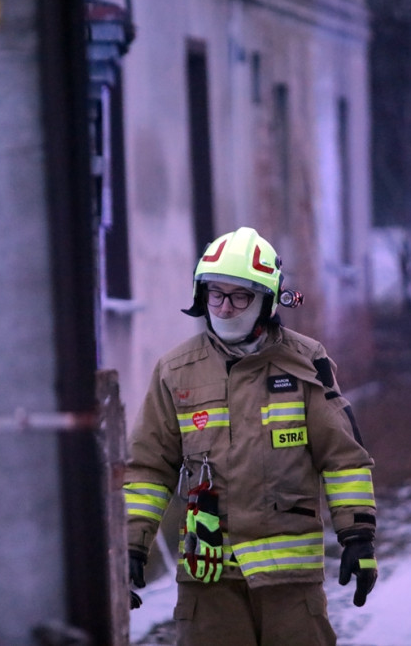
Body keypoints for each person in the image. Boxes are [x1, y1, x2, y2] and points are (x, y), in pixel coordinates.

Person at [122, 227, 377, 646]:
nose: (225, 307)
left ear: (266, 300)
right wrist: (132, 545)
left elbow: (343, 459)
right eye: (215, 294)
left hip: (290, 586)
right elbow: (149, 467)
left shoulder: (305, 363)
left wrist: (359, 537)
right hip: (208, 581)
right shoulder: (176, 371)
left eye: (240, 295)